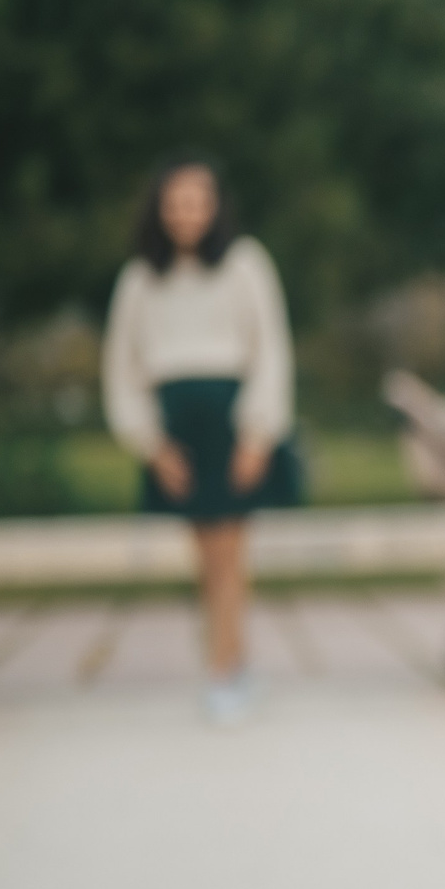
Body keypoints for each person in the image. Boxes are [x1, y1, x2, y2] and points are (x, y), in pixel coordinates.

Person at [102, 158, 300, 724]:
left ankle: (224, 671)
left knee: (229, 551)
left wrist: (257, 434)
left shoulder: (245, 264)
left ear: (214, 207)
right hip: (176, 430)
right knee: (206, 554)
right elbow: (122, 368)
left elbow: (272, 351)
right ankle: (231, 662)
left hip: (232, 423)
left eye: (197, 202)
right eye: (175, 204)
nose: (187, 214)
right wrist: (151, 444)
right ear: (160, 211)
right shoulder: (140, 279)